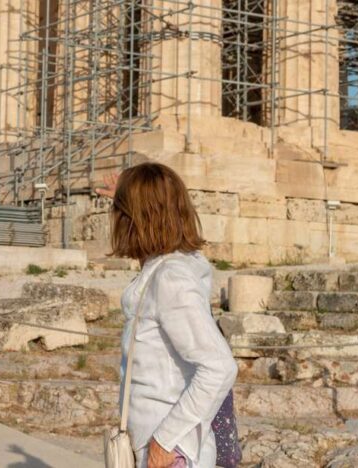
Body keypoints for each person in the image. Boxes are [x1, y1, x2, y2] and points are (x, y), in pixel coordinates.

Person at [97, 163, 238, 468]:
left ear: (134, 219)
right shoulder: (168, 269)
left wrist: (165, 440)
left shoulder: (170, 279)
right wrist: (129, 194)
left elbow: (220, 367)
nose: (114, 219)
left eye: (120, 211)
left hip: (171, 455)